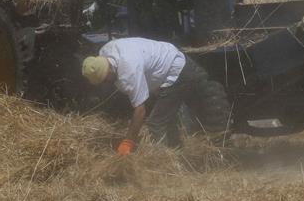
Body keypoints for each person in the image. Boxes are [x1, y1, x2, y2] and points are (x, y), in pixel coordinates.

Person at [81, 37, 227, 155]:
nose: (106, 82)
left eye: (105, 79)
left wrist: (128, 142)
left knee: (156, 122)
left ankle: (163, 164)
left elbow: (140, 110)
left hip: (176, 72)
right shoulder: (105, 52)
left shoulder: (128, 71)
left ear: (108, 72)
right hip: (168, 57)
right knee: (165, 118)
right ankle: (177, 152)